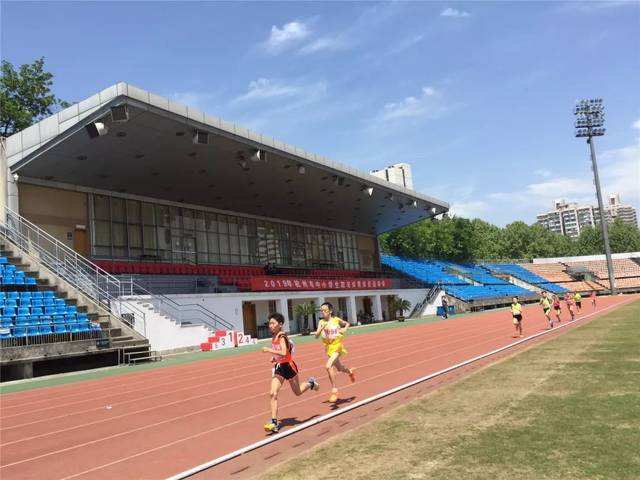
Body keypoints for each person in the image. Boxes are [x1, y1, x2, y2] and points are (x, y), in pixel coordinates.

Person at [262, 312, 319, 433]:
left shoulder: (282, 337)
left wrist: (268, 350)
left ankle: (311, 383)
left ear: (280, 324)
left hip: (289, 366)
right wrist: (274, 358)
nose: (270, 326)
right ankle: (274, 422)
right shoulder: (274, 336)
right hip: (280, 368)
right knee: (273, 393)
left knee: (297, 392)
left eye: (273, 323)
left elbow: (284, 353)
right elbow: (280, 354)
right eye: (270, 323)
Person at [315, 302, 356, 403]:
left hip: (337, 347)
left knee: (328, 366)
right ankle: (350, 372)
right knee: (340, 368)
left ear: (330, 311)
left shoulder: (336, 320)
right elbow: (316, 336)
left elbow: (347, 323)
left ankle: (334, 390)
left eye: (325, 310)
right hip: (329, 349)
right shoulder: (321, 322)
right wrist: (321, 329)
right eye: (322, 311)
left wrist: (344, 329)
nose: (323, 312)